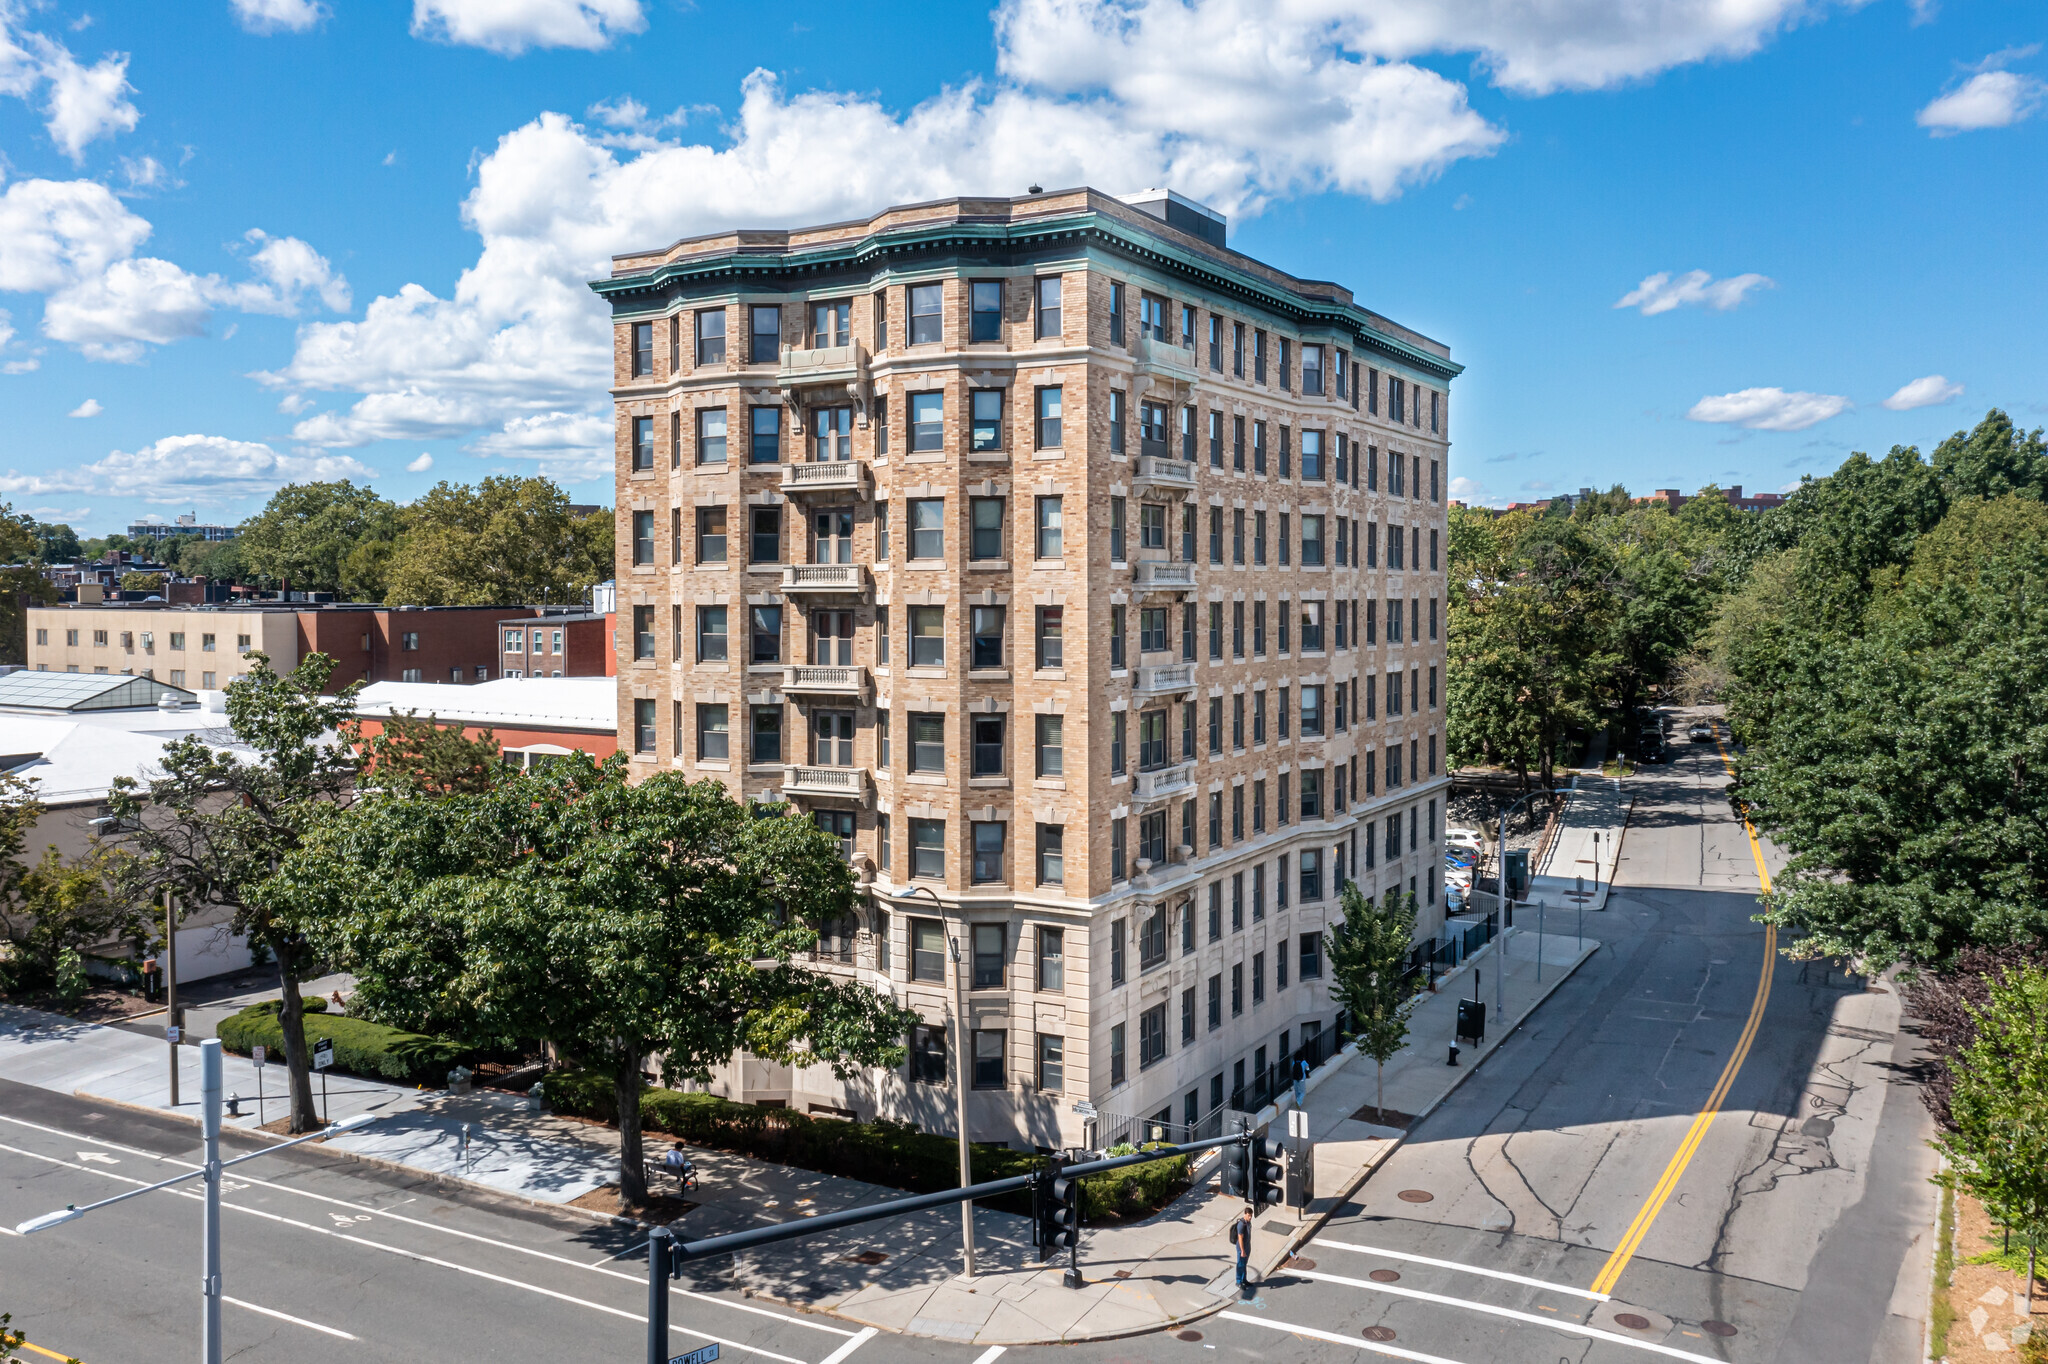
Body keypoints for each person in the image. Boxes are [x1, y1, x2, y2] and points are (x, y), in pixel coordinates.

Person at [1231, 1205, 1254, 1291]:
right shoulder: (1241, 1224)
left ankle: (1244, 1280)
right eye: (1249, 1215)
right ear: (1245, 1214)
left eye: (1251, 1215)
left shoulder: (1248, 1222)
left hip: (1247, 1246)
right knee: (1240, 1264)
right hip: (1242, 1248)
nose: (1250, 1217)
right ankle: (1238, 1281)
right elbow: (1240, 1238)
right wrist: (1242, 1251)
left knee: (1244, 1264)